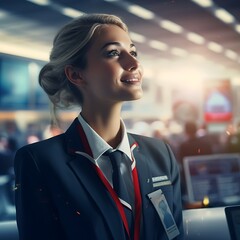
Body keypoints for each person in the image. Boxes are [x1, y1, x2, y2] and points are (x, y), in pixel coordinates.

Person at [14, 13, 184, 240]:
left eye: (133, 52)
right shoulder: (40, 162)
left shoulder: (160, 154)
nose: (134, 63)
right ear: (76, 74)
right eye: (113, 53)